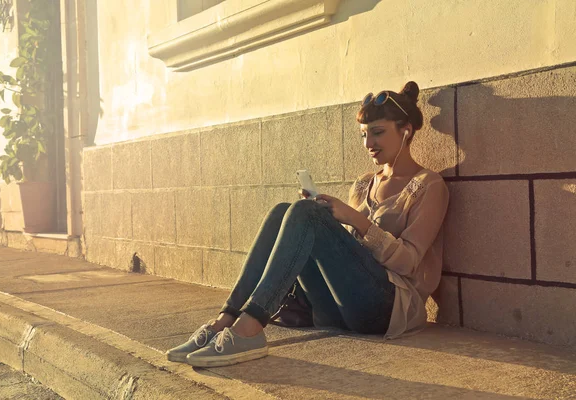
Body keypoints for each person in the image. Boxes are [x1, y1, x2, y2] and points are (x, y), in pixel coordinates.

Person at [166, 81, 450, 368]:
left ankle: (249, 329)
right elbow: (347, 254)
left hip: (386, 310)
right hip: (338, 308)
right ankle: (224, 319)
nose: (368, 144)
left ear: (406, 131)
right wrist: (324, 217)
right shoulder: (364, 183)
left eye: (378, 133)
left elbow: (409, 263)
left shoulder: (428, 186)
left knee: (306, 213)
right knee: (283, 211)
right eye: (364, 135)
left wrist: (353, 218)